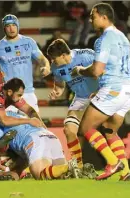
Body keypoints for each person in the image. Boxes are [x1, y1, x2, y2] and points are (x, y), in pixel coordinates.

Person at [71, 3, 130, 180]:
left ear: (104, 17)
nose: (90, 20)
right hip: (126, 91)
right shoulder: (123, 37)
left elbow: (97, 70)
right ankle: (126, 171)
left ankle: (113, 162)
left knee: (85, 128)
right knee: (109, 130)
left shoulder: (104, 39)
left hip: (113, 89)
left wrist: (79, 70)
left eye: (93, 16)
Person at [47, 39, 98, 171]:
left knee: (106, 130)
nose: (52, 61)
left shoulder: (86, 56)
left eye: (54, 58)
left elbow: (105, 71)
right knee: (69, 130)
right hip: (81, 97)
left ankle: (117, 162)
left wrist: (100, 91)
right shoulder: (55, 67)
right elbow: (59, 84)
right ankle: (78, 167)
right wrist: (57, 91)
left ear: (63, 55)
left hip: (99, 95)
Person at [0, 14, 51, 112]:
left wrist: (46, 67)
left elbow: (42, 59)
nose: (11, 28)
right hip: (10, 95)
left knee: (35, 124)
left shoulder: (29, 42)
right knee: (12, 126)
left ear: (17, 26)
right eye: (8, 26)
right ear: (4, 28)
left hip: (28, 93)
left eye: (13, 25)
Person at [1, 111, 79, 180]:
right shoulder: (20, 115)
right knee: (61, 176)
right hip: (50, 136)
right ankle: (72, 168)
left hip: (34, 139)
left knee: (40, 174)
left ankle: (68, 167)